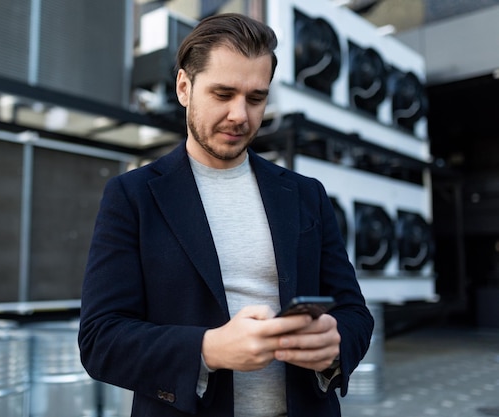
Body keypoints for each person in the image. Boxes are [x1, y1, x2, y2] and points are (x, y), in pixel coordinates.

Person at [79, 12, 373, 417]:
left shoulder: (306, 194)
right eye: (223, 94)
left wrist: (334, 344)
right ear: (184, 87)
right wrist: (208, 349)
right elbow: (100, 340)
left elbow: (355, 312)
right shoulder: (132, 196)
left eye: (256, 98)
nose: (241, 115)